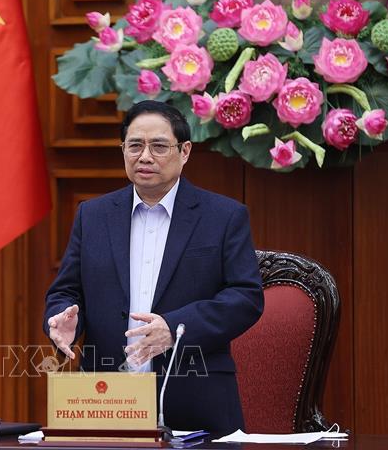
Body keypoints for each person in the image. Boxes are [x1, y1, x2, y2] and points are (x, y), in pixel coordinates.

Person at [43, 100, 263, 433]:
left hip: (195, 399)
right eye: (135, 146)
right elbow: (66, 290)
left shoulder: (223, 217)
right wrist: (63, 318)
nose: (145, 156)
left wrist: (174, 328)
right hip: (106, 402)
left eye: (159, 146)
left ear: (184, 151)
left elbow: (246, 298)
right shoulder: (93, 215)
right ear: (123, 150)